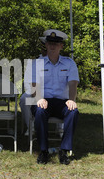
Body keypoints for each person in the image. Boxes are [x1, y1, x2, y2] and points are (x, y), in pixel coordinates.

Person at [24, 30, 79, 165]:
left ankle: (64, 150)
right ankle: (43, 151)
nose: (52, 46)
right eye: (49, 43)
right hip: (43, 99)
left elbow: (73, 83)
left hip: (62, 101)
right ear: (46, 45)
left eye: (56, 44)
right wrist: (38, 98)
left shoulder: (69, 63)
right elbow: (33, 84)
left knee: (73, 112)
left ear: (61, 46)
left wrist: (72, 100)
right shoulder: (37, 63)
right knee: (40, 111)